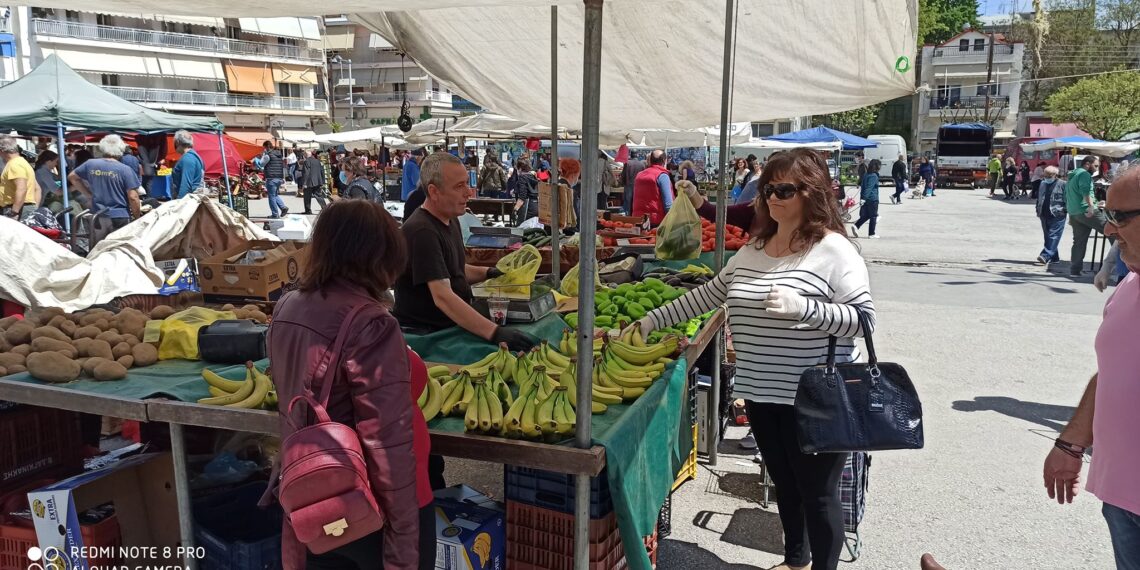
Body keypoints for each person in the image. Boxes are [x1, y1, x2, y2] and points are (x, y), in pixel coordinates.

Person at [629, 148, 876, 570]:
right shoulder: (753, 250)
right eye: (768, 190)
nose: (773, 198)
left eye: (784, 189)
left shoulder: (834, 251)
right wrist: (648, 323)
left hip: (815, 398)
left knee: (818, 494)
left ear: (811, 193)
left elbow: (862, 320)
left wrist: (805, 308)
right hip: (761, 393)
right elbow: (707, 296)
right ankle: (795, 561)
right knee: (786, 484)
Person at [266, 200, 426, 570]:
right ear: (380, 254)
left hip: (311, 491)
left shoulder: (287, 306)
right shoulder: (371, 323)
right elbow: (388, 444)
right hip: (366, 504)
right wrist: (402, 547)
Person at [1042, 167, 1140, 570]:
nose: (1110, 230)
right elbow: (1112, 372)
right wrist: (1070, 443)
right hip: (1123, 496)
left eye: (1120, 217)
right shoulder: (1130, 286)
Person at [393, 151, 539, 350]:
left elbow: (454, 269)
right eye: (459, 186)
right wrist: (493, 332)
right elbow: (442, 296)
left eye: (466, 183)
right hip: (428, 335)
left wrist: (490, 272)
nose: (468, 193)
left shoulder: (449, 219)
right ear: (434, 192)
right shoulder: (422, 231)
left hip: (449, 325)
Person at [67, 134, 141, 229]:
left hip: (97, 214)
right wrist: (137, 217)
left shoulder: (90, 164)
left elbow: (72, 177)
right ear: (121, 150)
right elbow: (133, 197)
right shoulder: (125, 170)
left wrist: (88, 194)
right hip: (119, 215)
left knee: (98, 243)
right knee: (118, 243)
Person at [1066, 155, 1106, 276]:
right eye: (1095, 166)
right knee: (1113, 233)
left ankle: (1075, 270)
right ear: (1087, 164)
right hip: (1086, 211)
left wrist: (1094, 203)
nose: (1096, 169)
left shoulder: (1073, 175)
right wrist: (1090, 206)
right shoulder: (1084, 174)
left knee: (1079, 242)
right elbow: (1085, 191)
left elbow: (1070, 194)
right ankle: (1120, 268)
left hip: (1074, 212)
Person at [0, 136, 40, 220]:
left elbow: (21, 188)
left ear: (2, 150)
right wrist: (34, 209)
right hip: (24, 208)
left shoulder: (15, 165)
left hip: (18, 209)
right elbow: (37, 189)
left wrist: (14, 211)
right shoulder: (22, 163)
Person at [632, 149, 674, 225]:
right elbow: (668, 204)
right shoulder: (662, 176)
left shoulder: (639, 175)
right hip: (656, 220)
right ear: (664, 161)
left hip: (637, 219)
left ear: (650, 160)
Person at [1035, 166, 1066, 266]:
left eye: (1049, 175)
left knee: (1054, 235)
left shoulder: (1063, 184)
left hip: (1057, 213)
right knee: (1048, 237)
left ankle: (1045, 255)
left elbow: (1068, 199)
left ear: (1055, 175)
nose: (1046, 177)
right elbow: (1039, 198)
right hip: (1043, 213)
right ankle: (1054, 258)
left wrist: (1065, 209)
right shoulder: (1042, 183)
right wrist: (1037, 209)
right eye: (1045, 175)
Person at [171, 130, 205, 199]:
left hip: (188, 200)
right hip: (195, 197)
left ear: (177, 142)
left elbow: (185, 184)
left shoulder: (187, 159)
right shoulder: (196, 157)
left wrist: (179, 203)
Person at [852, 159, 881, 239]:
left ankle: (856, 225)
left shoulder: (866, 174)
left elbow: (863, 186)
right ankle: (871, 233)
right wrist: (864, 198)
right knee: (873, 216)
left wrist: (863, 198)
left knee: (867, 215)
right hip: (872, 198)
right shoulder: (874, 176)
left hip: (865, 198)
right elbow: (869, 188)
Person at [260, 141, 289, 218]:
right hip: (279, 178)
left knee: (271, 196)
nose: (264, 149)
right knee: (274, 194)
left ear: (267, 147)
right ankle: (283, 207)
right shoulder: (278, 155)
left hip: (271, 178)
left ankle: (275, 214)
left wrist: (263, 155)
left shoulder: (268, 155)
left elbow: (261, 163)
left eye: (264, 148)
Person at [299, 150, 328, 215]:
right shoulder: (318, 161)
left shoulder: (306, 161)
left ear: (305, 155)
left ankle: (308, 210)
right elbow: (322, 171)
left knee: (307, 197)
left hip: (309, 182)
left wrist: (304, 183)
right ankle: (325, 209)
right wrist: (322, 181)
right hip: (318, 181)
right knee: (319, 196)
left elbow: (306, 172)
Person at [511, 159, 540, 225]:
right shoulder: (534, 177)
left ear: (520, 169)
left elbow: (522, 196)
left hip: (527, 209)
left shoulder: (522, 178)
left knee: (523, 230)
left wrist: (515, 210)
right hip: (537, 207)